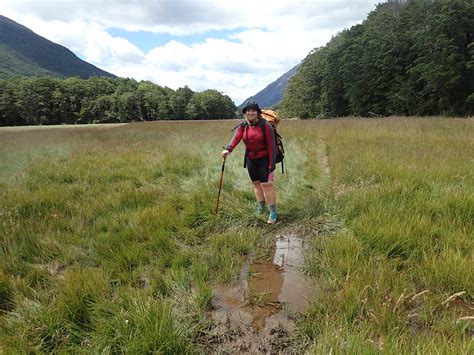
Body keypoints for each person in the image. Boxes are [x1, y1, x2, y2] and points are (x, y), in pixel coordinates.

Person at [221, 100, 278, 224]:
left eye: (253, 110)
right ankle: (261, 207)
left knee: (267, 186)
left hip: (265, 159)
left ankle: (273, 212)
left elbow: (271, 147)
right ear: (245, 113)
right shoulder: (243, 126)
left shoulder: (265, 126)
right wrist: (228, 150)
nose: (250, 112)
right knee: (256, 184)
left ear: (257, 112)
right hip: (251, 159)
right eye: (248, 111)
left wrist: (271, 165)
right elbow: (236, 138)